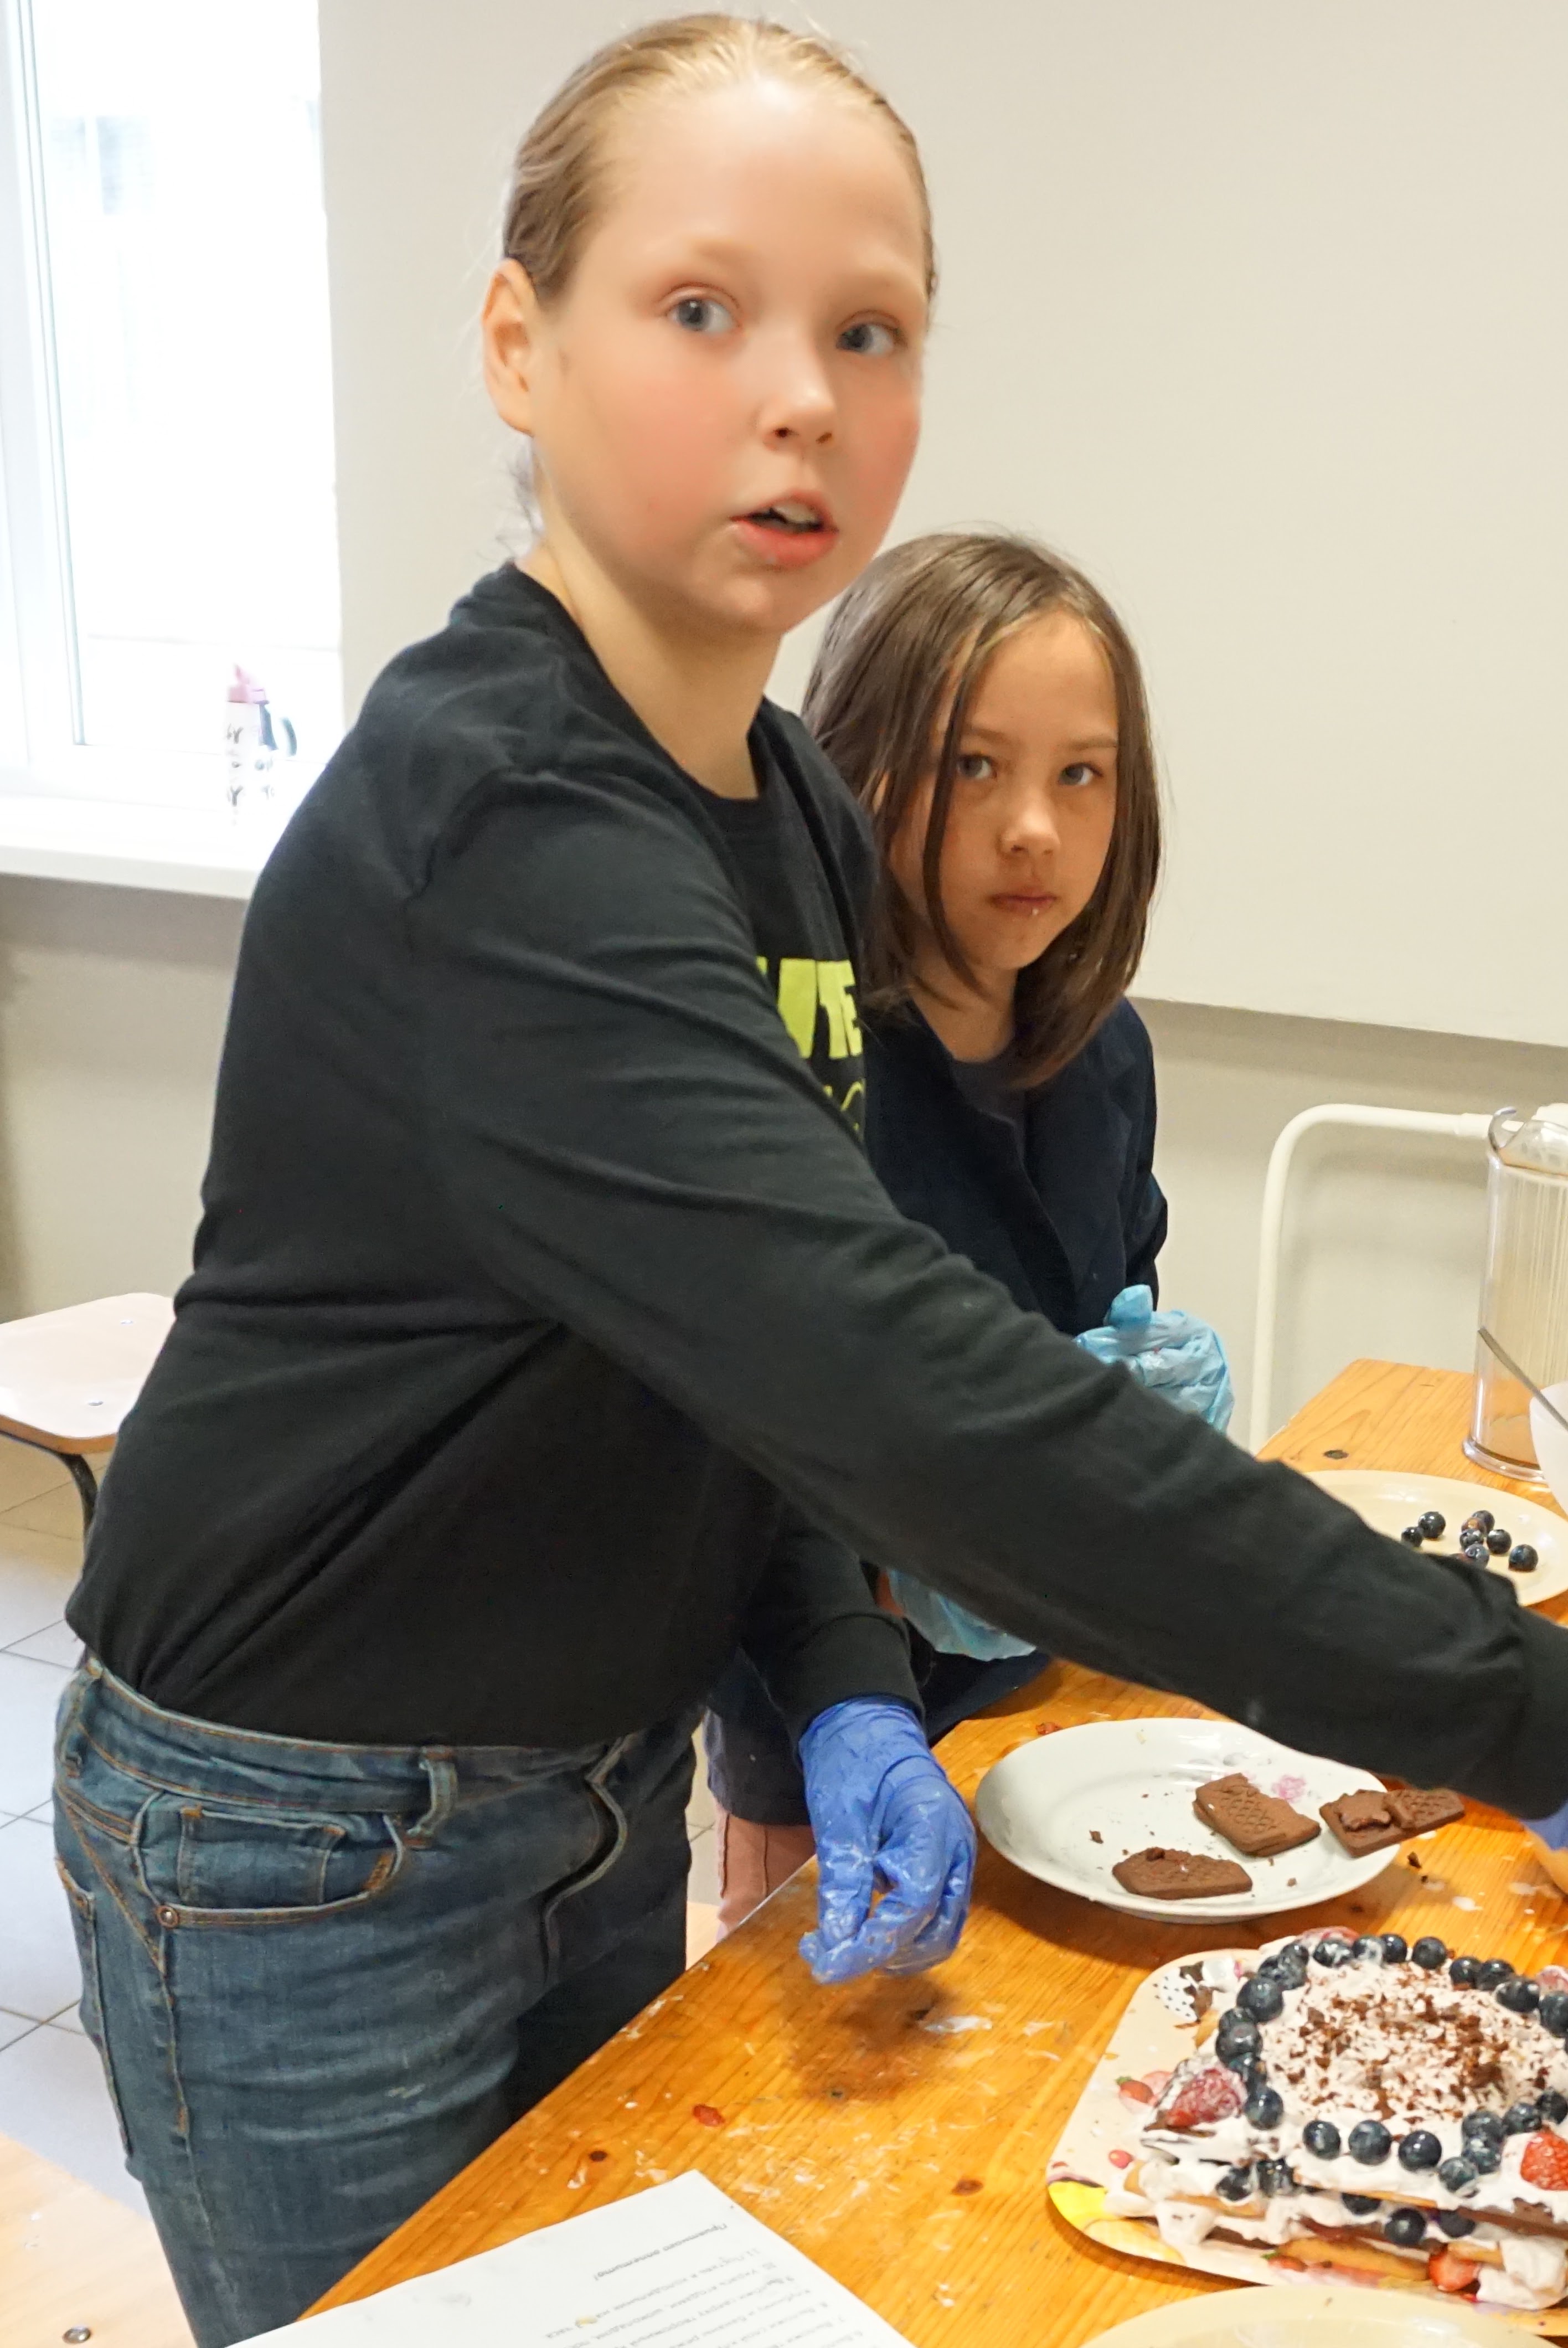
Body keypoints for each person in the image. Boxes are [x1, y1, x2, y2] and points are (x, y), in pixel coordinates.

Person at [50, 18, 1568, 2345]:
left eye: (871, 331)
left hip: (590, 1771)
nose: (804, 399)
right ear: (518, 344)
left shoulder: (785, 811)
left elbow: (743, 1355)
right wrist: (1516, 1709)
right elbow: (887, 1375)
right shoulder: (508, 819)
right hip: (301, 1831)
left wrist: (840, 1674)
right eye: (702, 308)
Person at [704, 531, 1232, 1928]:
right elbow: (747, 1451)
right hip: (829, 1724)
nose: (1034, 829)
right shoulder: (798, 1058)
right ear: (858, 764)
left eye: (1082, 774)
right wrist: (911, 1563)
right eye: (974, 766)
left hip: (1042, 1680)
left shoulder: (1106, 1053)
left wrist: (1146, 1414)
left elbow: (1111, 1309)